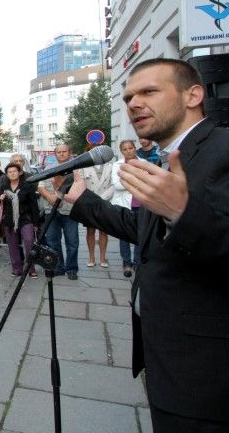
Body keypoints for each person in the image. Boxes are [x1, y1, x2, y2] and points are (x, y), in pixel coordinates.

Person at [64, 58, 229, 431]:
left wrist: (183, 214)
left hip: (206, 373)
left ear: (193, 95)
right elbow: (144, 228)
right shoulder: (174, 157)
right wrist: (85, 202)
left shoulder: (221, 150)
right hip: (168, 356)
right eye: (128, 97)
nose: (134, 103)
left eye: (149, 92)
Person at [37, 143, 81, 280]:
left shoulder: (77, 169)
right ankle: (58, 267)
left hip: (70, 210)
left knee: (72, 242)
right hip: (51, 209)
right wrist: (49, 197)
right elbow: (40, 186)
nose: (61, 154)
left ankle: (72, 268)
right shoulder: (48, 168)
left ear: (70, 152)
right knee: (52, 241)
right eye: (59, 152)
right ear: (55, 154)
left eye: (64, 151)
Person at [111, 140, 144, 278]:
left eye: (131, 148)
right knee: (124, 236)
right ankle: (126, 263)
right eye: (125, 149)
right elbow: (117, 185)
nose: (128, 151)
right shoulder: (117, 165)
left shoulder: (144, 163)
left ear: (135, 148)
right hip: (124, 205)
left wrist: (128, 181)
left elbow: (146, 182)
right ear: (121, 151)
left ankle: (137, 263)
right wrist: (136, 182)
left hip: (141, 204)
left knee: (140, 235)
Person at [0, 163, 39, 278]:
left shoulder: (27, 186)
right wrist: (1, 199)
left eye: (14, 171)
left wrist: (35, 223)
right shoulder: (4, 187)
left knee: (29, 241)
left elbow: (34, 205)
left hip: (25, 219)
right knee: (12, 245)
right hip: (9, 220)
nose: (12, 173)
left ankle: (31, 268)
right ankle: (16, 269)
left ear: (19, 172)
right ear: (7, 174)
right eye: (10, 172)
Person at [81, 153, 114, 268]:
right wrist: (91, 199)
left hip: (105, 202)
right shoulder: (84, 167)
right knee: (90, 231)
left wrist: (102, 198)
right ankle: (91, 257)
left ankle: (102, 258)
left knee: (103, 231)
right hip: (90, 203)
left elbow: (113, 184)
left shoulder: (111, 166)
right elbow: (82, 185)